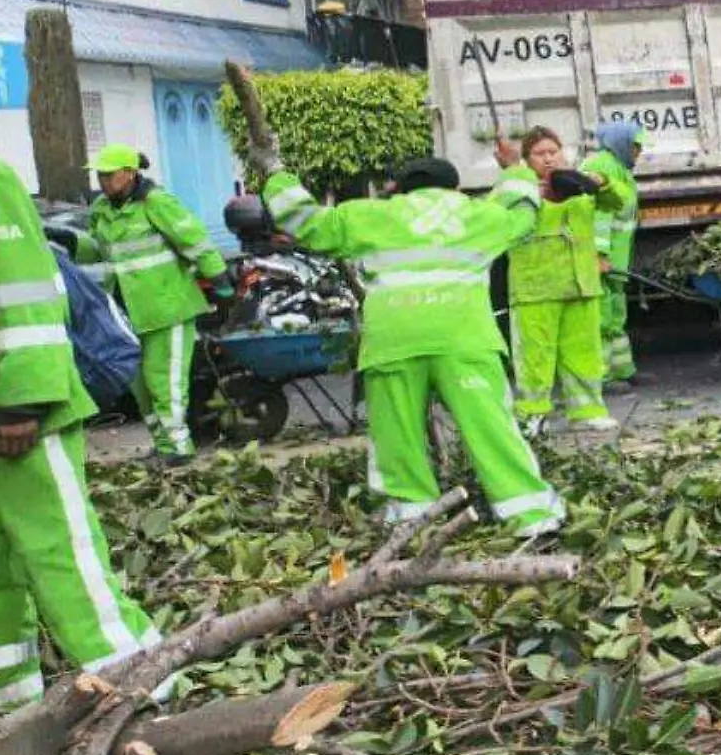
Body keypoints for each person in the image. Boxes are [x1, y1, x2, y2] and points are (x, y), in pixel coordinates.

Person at [258, 157, 566, 537]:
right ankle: (533, 518)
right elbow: (521, 213)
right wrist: (516, 169)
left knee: (398, 439)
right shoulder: (478, 215)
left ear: (399, 189)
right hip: (464, 340)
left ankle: (411, 524)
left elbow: (304, 222)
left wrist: (276, 176)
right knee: (492, 430)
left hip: (394, 343)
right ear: (453, 188)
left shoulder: (371, 215)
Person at [0, 159, 162, 708]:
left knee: (65, 563)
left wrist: (21, 400)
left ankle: (149, 696)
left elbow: (21, 293)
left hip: (19, 419)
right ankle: (13, 716)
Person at [85, 145, 232, 464]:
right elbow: (96, 249)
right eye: (100, 175)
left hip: (168, 309)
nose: (103, 180)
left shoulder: (156, 203)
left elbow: (192, 238)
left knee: (162, 381)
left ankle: (179, 448)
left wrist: (218, 278)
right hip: (129, 313)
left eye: (109, 174)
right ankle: (162, 444)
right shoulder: (101, 209)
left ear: (130, 173)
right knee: (139, 386)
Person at [496, 128, 623, 434]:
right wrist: (522, 184)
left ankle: (588, 411)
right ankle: (532, 414)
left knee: (584, 354)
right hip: (536, 287)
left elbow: (618, 200)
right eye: (540, 153)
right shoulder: (518, 189)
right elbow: (496, 210)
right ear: (527, 160)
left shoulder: (576, 184)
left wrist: (599, 182)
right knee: (535, 357)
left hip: (581, 284)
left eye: (554, 150)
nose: (549, 158)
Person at [586, 121, 647, 387]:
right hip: (600, 260)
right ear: (619, 143)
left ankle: (622, 371)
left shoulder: (619, 169)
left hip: (615, 261)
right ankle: (600, 378)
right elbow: (598, 216)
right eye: (635, 146)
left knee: (614, 315)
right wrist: (599, 254)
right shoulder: (601, 168)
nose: (639, 152)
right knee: (600, 319)